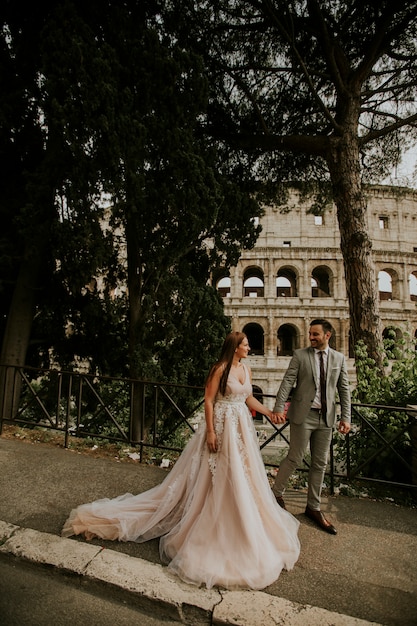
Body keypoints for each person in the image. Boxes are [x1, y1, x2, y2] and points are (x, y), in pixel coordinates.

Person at [62, 331, 300, 590]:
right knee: (218, 474)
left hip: (241, 427)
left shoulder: (245, 368)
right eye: (245, 345)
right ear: (234, 348)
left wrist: (268, 412)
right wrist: (210, 431)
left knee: (243, 474)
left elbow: (248, 398)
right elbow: (209, 401)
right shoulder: (219, 369)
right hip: (221, 426)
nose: (249, 347)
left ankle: (242, 520)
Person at [271, 319, 351, 535]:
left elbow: (344, 389)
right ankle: (276, 494)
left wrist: (346, 417)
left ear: (328, 335)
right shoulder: (300, 355)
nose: (311, 337)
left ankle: (313, 508)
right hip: (303, 415)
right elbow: (287, 382)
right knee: (295, 457)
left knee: (320, 463)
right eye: (310, 334)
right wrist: (279, 408)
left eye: (316, 334)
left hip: (326, 417)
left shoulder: (338, 358)